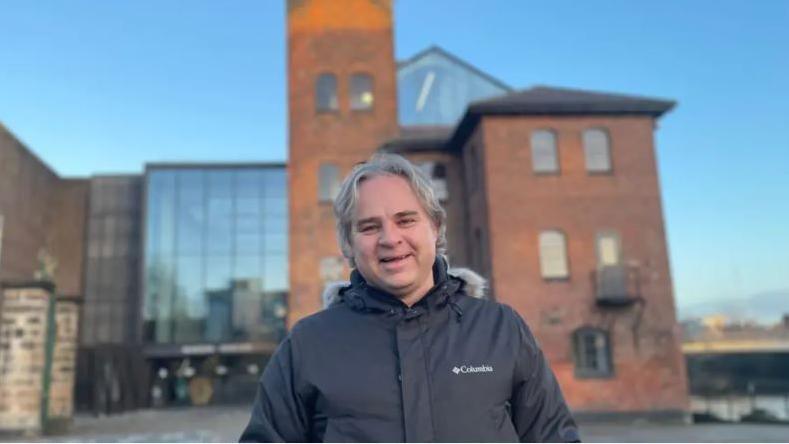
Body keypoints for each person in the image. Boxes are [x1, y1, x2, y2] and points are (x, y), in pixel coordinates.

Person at [240, 153, 580, 442]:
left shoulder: (500, 329)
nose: (390, 238)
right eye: (369, 227)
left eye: (406, 220)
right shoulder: (308, 344)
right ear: (349, 244)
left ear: (435, 227)